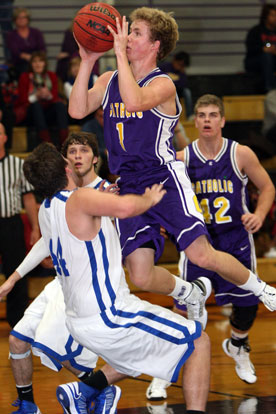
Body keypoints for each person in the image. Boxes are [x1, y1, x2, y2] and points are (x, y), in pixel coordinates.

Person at [69, 7, 276, 318]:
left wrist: (119, 57)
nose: (126, 37)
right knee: (139, 274)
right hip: (127, 184)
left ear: (155, 46)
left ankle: (262, 289)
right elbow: (77, 110)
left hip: (163, 178)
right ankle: (188, 292)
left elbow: (135, 101)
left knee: (202, 255)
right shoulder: (110, 78)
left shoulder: (163, 84)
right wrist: (87, 62)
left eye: (136, 33)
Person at [22, 141, 211, 414]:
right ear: (65, 166)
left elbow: (86, 226)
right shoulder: (79, 199)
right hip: (109, 315)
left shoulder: (48, 209)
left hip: (79, 320)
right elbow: (123, 208)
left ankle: (82, 391)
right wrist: (149, 199)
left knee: (137, 351)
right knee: (198, 342)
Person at [146, 94, 276, 400]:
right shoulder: (183, 157)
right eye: (201, 114)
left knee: (247, 306)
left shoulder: (240, 153)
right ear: (196, 121)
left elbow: (268, 186)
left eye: (212, 114)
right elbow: (164, 193)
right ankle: (162, 372)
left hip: (235, 240)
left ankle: (237, 345)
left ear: (222, 120)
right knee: (183, 312)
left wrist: (258, 214)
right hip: (198, 242)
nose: (206, 120)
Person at [0, 132, 121, 414]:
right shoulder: (55, 200)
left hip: (91, 284)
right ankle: (28, 406)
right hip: (63, 281)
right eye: (72, 151)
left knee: (51, 345)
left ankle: (100, 389)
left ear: (95, 157)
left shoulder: (107, 191)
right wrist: (14, 277)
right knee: (18, 339)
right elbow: (46, 241)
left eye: (83, 150)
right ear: (65, 162)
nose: (78, 155)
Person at [0, 122, 40, 328]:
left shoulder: (17, 164)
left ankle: (18, 323)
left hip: (11, 224)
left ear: (6, 137)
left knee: (16, 272)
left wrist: (34, 228)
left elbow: (29, 199)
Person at [14, 51, 69, 148]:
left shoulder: (51, 76)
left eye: (40, 61)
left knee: (60, 105)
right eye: (34, 61)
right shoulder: (25, 77)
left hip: (48, 112)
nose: (37, 64)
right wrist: (37, 96)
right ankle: (47, 143)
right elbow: (22, 101)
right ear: (31, 64)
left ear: (45, 63)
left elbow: (55, 97)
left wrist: (48, 95)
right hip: (31, 113)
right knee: (36, 105)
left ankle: (65, 142)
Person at [6, 7, 46, 79]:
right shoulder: (11, 35)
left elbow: (42, 49)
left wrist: (34, 59)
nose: (21, 20)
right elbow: (15, 52)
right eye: (19, 18)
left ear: (28, 19)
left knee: (39, 66)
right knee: (25, 69)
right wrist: (28, 57)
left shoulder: (36, 32)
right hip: (19, 63)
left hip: (37, 61)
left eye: (24, 17)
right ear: (15, 20)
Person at [244, 3, 276, 92]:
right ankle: (271, 89)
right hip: (257, 60)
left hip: (273, 60)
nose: (275, 18)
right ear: (266, 17)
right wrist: (263, 49)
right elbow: (250, 48)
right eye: (273, 15)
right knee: (267, 56)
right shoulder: (256, 31)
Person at [159, 51, 193, 119]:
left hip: (177, 91)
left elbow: (184, 84)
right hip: (165, 90)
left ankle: (189, 115)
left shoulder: (181, 72)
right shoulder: (165, 67)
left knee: (187, 92)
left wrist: (175, 80)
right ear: (174, 60)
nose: (179, 67)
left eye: (182, 66)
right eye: (179, 64)